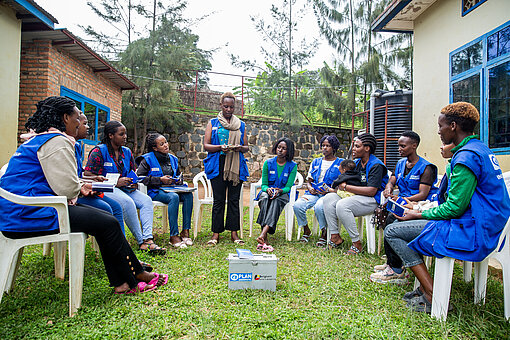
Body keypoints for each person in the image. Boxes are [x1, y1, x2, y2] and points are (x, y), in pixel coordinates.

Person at [0, 96, 167, 294]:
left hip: (18, 213)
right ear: (65, 118)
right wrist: (79, 186)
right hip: (29, 215)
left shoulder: (41, 139)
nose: (80, 122)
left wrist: (78, 185)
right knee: (108, 223)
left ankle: (130, 276)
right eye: (77, 118)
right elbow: (67, 189)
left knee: (107, 218)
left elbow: (56, 181)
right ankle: (129, 280)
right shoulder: (56, 142)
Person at [385, 102, 510, 313]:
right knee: (411, 223)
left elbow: (454, 208)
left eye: (440, 126)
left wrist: (419, 212)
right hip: (489, 225)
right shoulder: (480, 148)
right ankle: (427, 289)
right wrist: (421, 208)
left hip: (474, 231)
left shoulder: (465, 158)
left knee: (393, 231)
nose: (438, 131)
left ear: (453, 126)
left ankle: (434, 294)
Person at [84, 121, 166, 255]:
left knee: (146, 201)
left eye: (125, 134)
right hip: (107, 189)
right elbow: (88, 174)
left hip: (126, 188)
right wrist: (116, 182)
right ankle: (141, 242)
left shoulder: (126, 152)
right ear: (110, 135)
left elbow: (133, 171)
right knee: (127, 202)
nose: (125, 137)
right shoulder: (99, 151)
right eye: (121, 134)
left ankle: (148, 238)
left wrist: (134, 182)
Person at [370, 131, 439, 284]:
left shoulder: (426, 168)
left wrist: (402, 199)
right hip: (401, 203)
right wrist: (388, 187)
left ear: (414, 146)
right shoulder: (401, 163)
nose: (399, 149)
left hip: (417, 206)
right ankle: (391, 262)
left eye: (403, 146)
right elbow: (392, 179)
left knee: (393, 222)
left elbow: (422, 194)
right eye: (399, 146)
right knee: (389, 219)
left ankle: (396, 269)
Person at [322, 133, 388, 254]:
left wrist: (346, 187)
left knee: (342, 205)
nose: (353, 149)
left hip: (373, 200)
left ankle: (356, 243)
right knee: (329, 198)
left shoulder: (376, 165)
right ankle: (335, 236)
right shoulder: (357, 163)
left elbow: (372, 190)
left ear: (367, 148)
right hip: (357, 197)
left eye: (357, 146)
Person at [203, 92, 249, 246]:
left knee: (234, 200)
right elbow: (206, 145)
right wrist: (220, 147)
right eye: (226, 106)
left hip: (236, 165)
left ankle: (234, 234)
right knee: (219, 200)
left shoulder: (241, 124)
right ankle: (215, 234)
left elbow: (246, 147)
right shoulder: (213, 123)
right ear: (221, 105)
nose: (229, 109)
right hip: (218, 164)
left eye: (231, 107)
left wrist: (239, 148)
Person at [136, 133, 193, 249]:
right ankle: (174, 236)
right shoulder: (147, 159)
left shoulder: (173, 158)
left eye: (166, 142)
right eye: (162, 144)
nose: (166, 145)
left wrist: (178, 181)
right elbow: (139, 178)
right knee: (174, 197)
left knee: (188, 195)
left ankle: (185, 232)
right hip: (155, 191)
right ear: (155, 148)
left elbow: (177, 175)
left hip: (171, 189)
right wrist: (159, 180)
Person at [74, 114, 125, 232]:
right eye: (84, 123)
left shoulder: (77, 146)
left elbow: (77, 174)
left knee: (116, 206)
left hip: (85, 189)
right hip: (73, 194)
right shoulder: (98, 150)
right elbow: (71, 178)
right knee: (107, 207)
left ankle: (121, 244)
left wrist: (93, 179)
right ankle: (114, 245)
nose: (88, 127)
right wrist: (85, 184)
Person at [292, 135, 343, 246]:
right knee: (298, 205)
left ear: (334, 148)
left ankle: (324, 233)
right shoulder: (316, 162)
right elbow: (309, 180)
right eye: (323, 145)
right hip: (313, 193)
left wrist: (330, 190)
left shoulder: (340, 163)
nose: (324, 148)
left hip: (328, 195)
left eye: (328, 146)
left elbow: (343, 184)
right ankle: (306, 230)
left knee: (320, 207)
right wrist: (310, 187)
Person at [256, 137, 297, 252]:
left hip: (282, 193)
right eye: (279, 147)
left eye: (284, 148)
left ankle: (263, 234)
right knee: (264, 199)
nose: (280, 150)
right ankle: (265, 236)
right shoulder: (268, 163)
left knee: (276, 200)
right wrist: (268, 189)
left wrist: (279, 191)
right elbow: (264, 184)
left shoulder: (292, 166)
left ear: (288, 151)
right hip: (267, 192)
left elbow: (288, 186)